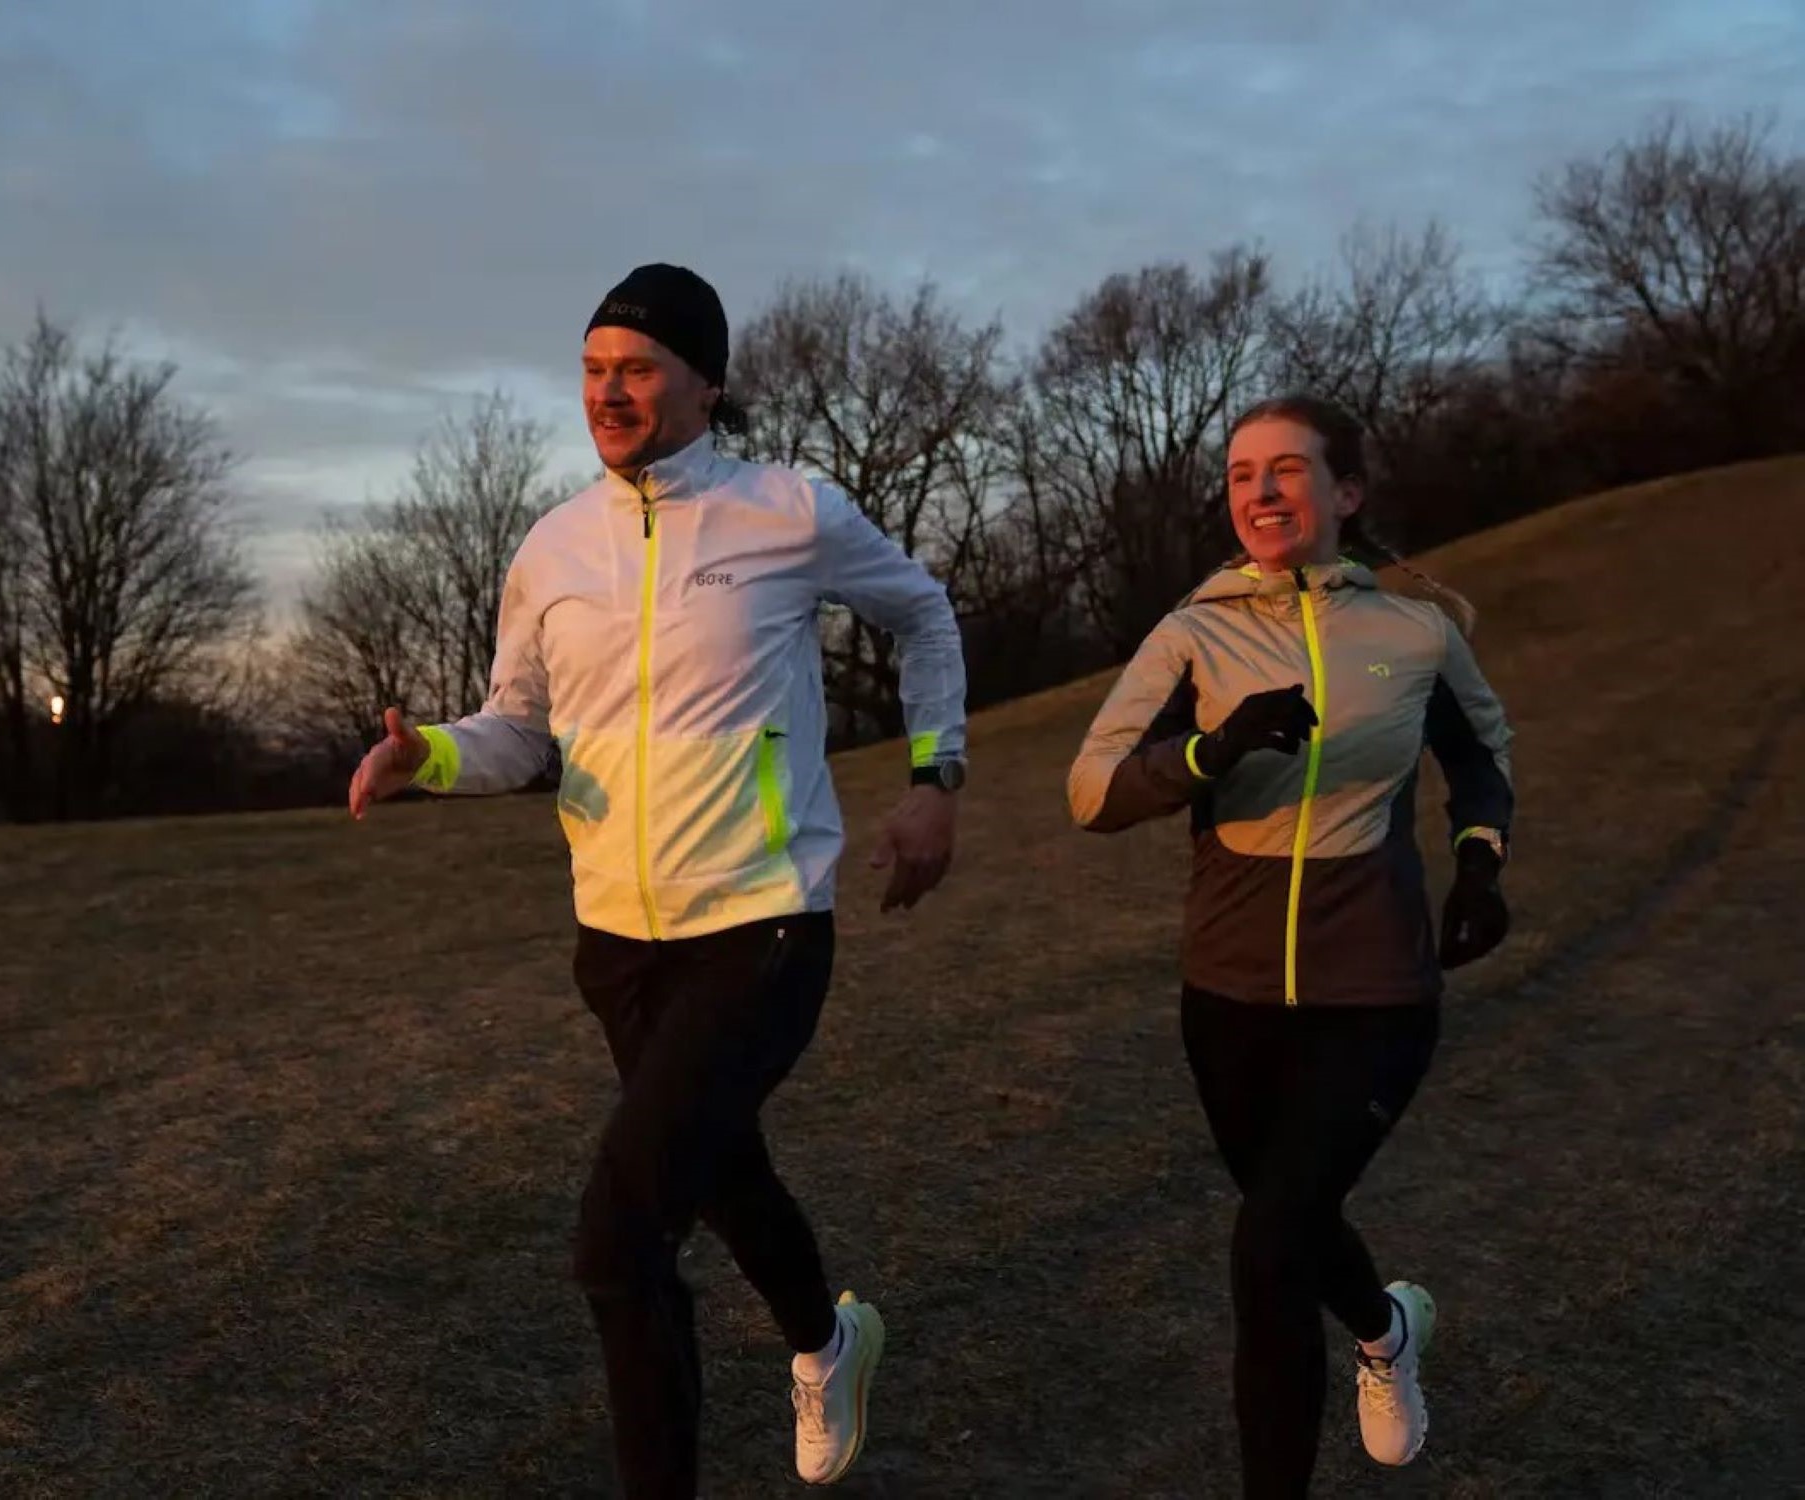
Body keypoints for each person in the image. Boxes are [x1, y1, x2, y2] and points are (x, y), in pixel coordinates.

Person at [348, 263, 969, 1498]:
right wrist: (431, 757)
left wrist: (934, 775)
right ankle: (828, 1341)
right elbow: (520, 730)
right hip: (618, 944)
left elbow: (925, 615)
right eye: (592, 369)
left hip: (762, 921)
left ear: (706, 383)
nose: (608, 392)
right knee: (720, 1166)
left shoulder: (787, 511)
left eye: (636, 368)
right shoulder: (552, 548)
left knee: (619, 1240)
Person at [1066, 394, 1514, 1497]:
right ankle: (1385, 1330)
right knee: (1293, 1224)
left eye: (1286, 469)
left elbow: (1480, 759)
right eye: (1240, 474)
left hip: (1376, 990)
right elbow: (1090, 793)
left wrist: (1480, 863)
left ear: (1344, 492)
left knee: (1268, 1248)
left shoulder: (1415, 633)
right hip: (1228, 997)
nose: (1259, 491)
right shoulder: (1192, 633)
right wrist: (1211, 752)